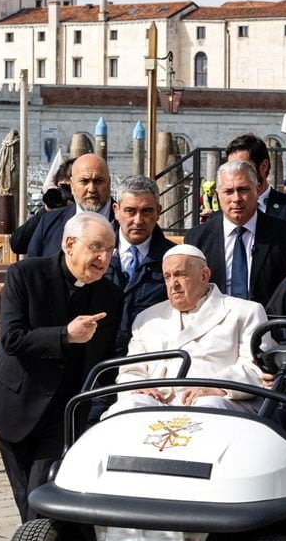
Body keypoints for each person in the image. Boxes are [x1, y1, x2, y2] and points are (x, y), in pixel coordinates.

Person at [0, 211, 122, 522]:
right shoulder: (25, 274)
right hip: (14, 402)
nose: (104, 258)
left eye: (110, 250)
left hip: (63, 411)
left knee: (41, 501)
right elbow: (12, 339)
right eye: (97, 248)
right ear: (70, 243)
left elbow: (104, 359)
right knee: (25, 499)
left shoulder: (111, 294)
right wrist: (65, 335)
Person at [105, 245, 267, 415]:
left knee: (207, 408)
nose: (173, 284)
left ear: (204, 276)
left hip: (220, 398)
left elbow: (254, 368)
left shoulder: (245, 311)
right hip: (158, 403)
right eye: (167, 277)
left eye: (181, 275)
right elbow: (131, 370)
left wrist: (214, 387)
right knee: (129, 406)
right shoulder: (147, 318)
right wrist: (139, 388)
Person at [184, 160, 286, 305]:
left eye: (243, 190)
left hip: (269, 322)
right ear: (217, 194)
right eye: (228, 191)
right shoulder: (197, 238)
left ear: (257, 189)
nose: (236, 199)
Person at [104, 175, 174, 353]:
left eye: (146, 211)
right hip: (98, 361)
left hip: (149, 358)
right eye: (130, 211)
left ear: (158, 211)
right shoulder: (95, 254)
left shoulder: (173, 260)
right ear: (116, 210)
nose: (138, 220)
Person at [26, 153, 114, 258]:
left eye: (99, 181)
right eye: (84, 181)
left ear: (109, 183)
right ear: (72, 185)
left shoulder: (128, 222)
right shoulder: (49, 223)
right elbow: (32, 269)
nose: (91, 189)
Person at [225, 134, 286, 232]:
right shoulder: (222, 215)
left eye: (243, 167)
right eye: (230, 167)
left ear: (264, 166)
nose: (235, 173)